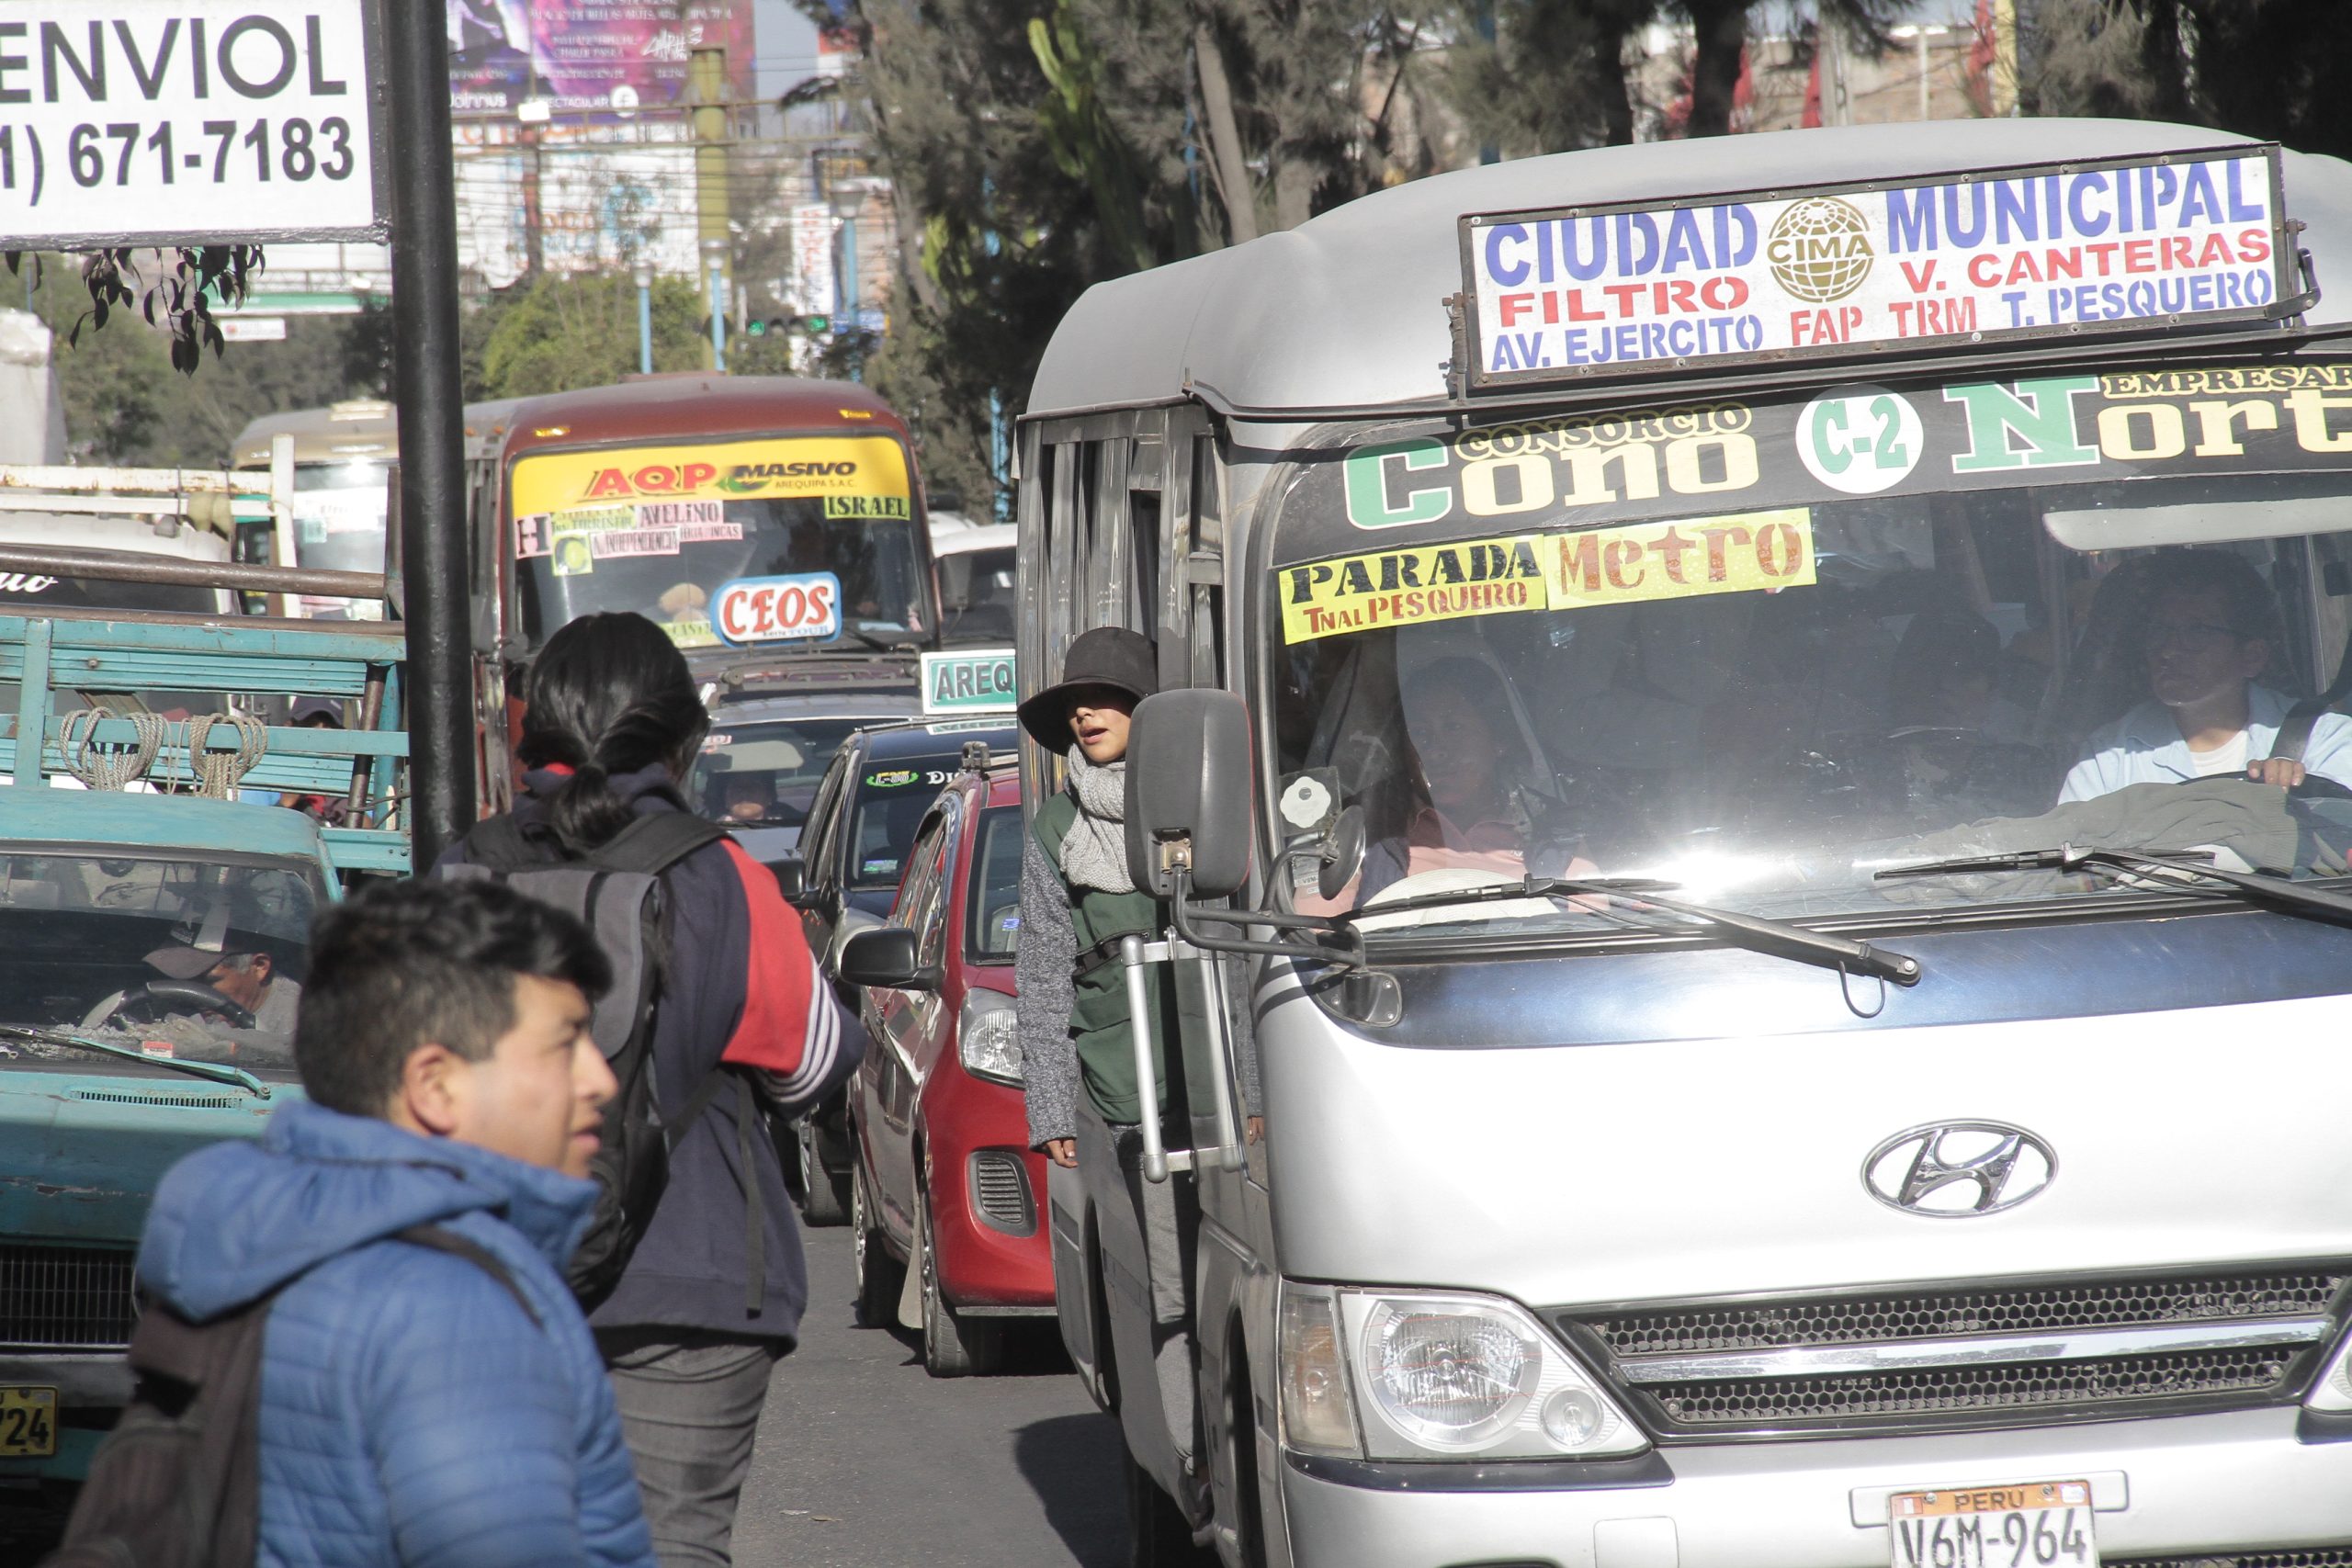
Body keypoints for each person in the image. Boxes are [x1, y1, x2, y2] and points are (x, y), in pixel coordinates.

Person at [442, 611, 861, 1568]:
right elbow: (812, 1067)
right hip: (696, 1280)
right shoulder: (721, 876)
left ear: (532, 728)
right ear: (682, 742)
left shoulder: (463, 868)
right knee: (673, 1547)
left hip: (496, 1279)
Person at [130, 877, 656, 1567]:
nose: (600, 1080)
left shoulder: (253, 1233)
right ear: (435, 1085)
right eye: (564, 1044)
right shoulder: (454, 1309)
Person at [1014, 626, 1215, 1501]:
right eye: (1073, 704)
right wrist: (1053, 1109)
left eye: (1103, 696)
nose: (1085, 712)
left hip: (1217, 1085)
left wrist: (1246, 1088)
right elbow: (1043, 973)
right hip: (1123, 1092)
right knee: (1165, 1292)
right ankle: (1192, 1476)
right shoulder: (1055, 824)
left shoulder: (1202, 800)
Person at [2059, 550, 2352, 802]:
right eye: (2160, 630)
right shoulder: (2108, 758)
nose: (2169, 649)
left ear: (2252, 656)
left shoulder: (2323, 739)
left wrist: (2310, 800)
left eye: (2197, 630)